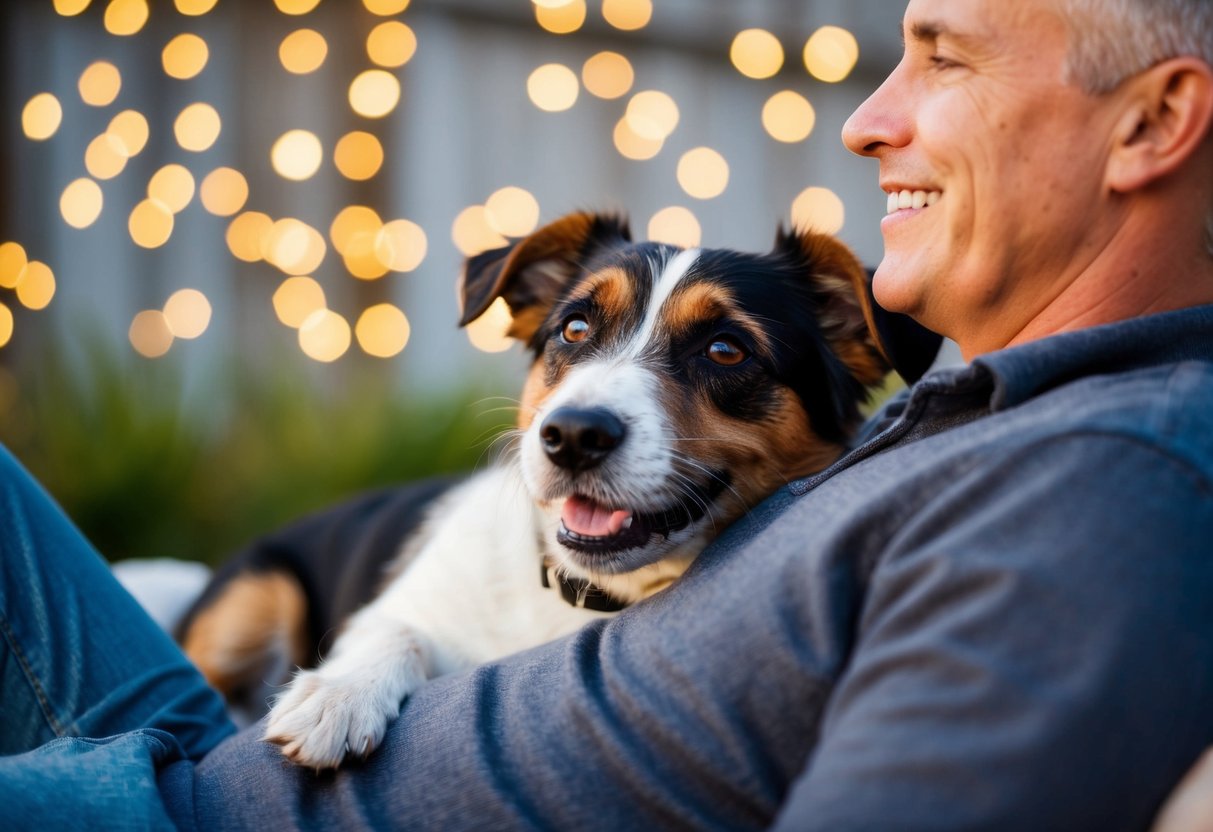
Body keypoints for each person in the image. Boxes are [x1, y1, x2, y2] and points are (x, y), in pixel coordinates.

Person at [3, 0, 1212, 828]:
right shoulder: (983, 414)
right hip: (211, 759)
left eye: (943, 57)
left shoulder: (1105, 472)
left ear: (1152, 121)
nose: (864, 118)